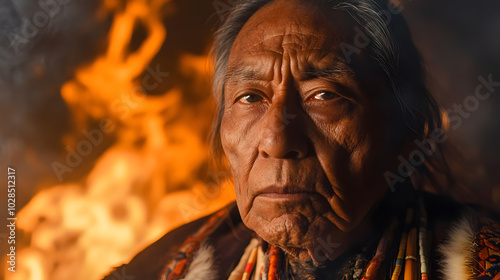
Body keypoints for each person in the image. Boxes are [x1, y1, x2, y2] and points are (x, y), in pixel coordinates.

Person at [103, 0, 500, 279]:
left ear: (406, 133)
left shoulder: (483, 260)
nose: (277, 140)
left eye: (324, 95)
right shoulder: (168, 268)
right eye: (250, 98)